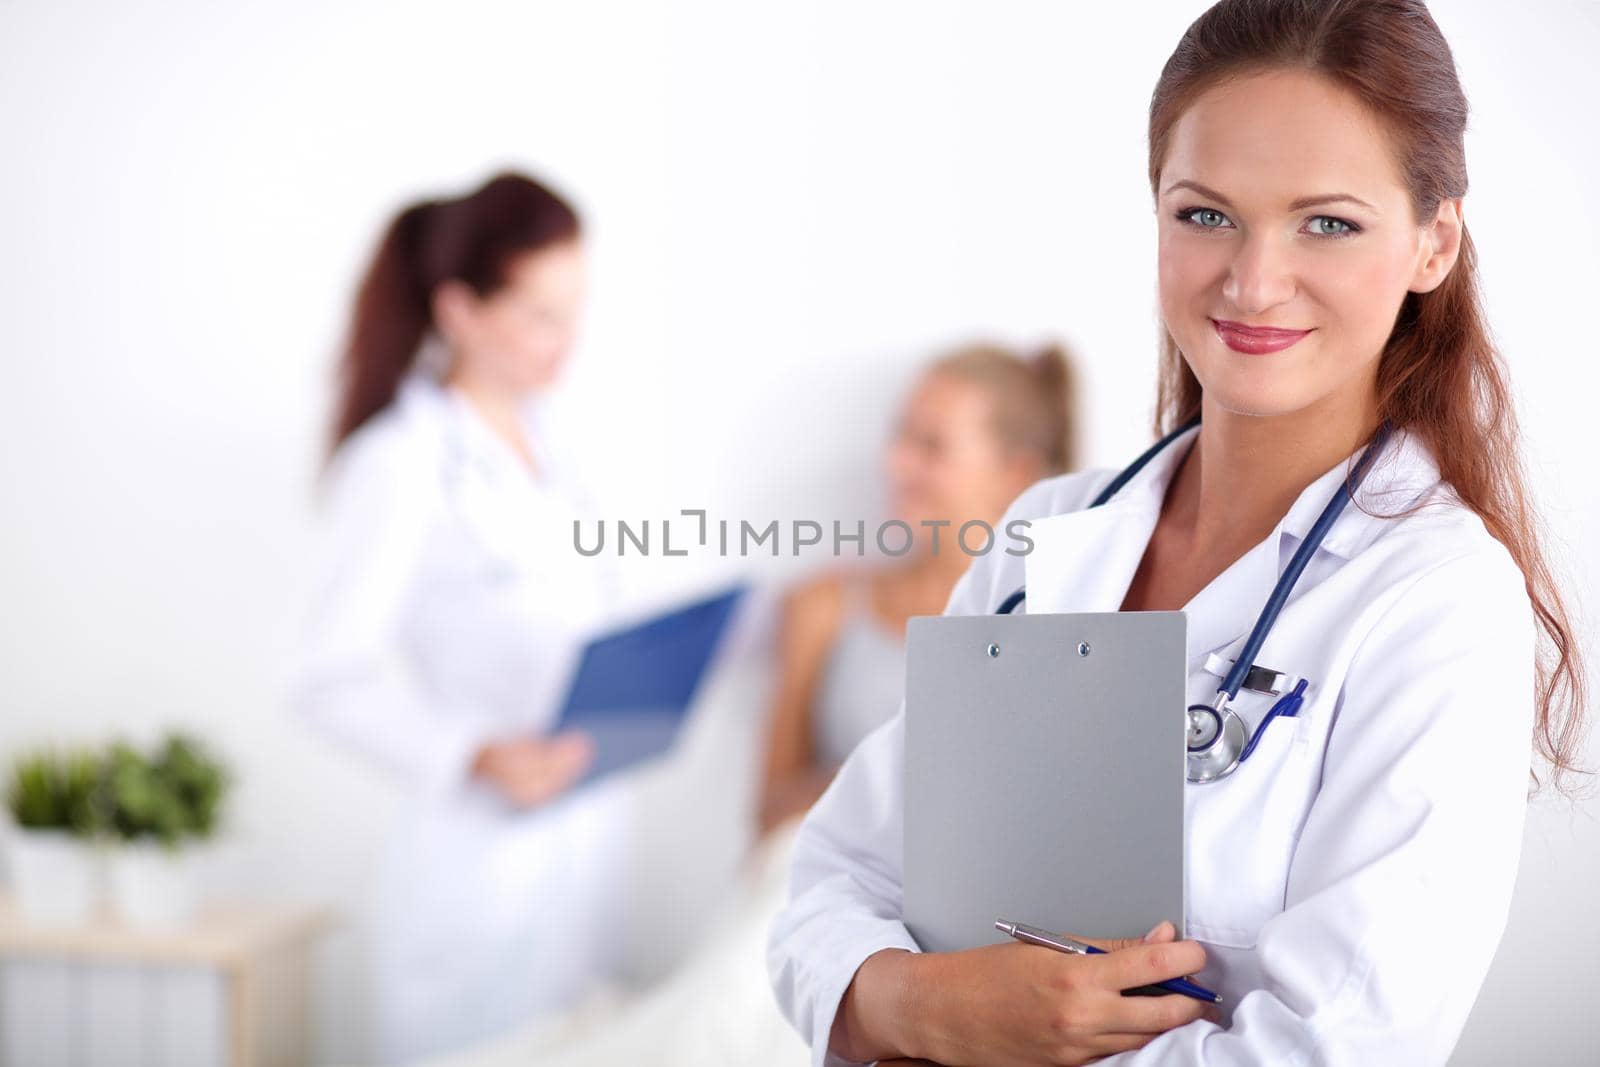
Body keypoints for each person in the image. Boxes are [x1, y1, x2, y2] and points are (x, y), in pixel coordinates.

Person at [766, 2, 1589, 1065]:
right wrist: (929, 1008)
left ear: (1433, 240)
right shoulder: (1047, 533)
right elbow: (833, 883)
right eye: (1205, 215)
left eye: (1326, 222)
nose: (1251, 282)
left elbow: (1339, 1046)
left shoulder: (1434, 599)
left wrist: (1018, 1032)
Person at [290, 171, 632, 1063]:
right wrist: (474, 751)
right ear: (460, 310)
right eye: (537, 314)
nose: (565, 343)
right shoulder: (399, 465)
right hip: (473, 874)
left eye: (574, 311)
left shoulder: (555, 449)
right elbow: (326, 678)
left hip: (576, 855)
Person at [758, 342, 1078, 836]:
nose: (896, 463)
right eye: (899, 437)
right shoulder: (823, 607)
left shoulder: (1064, 629)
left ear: (1016, 474)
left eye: (931, 446)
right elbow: (768, 814)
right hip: (829, 891)